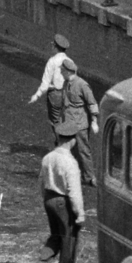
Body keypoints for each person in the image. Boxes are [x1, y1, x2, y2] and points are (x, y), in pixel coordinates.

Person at [36, 136, 84, 263]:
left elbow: (41, 181)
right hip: (63, 202)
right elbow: (74, 191)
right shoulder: (70, 162)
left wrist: (45, 198)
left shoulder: (48, 157)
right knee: (69, 238)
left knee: (55, 234)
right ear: (72, 140)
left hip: (49, 198)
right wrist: (80, 213)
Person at [45, 57, 99, 185]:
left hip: (80, 124)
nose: (61, 73)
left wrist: (94, 121)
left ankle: (90, 177)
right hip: (68, 123)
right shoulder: (66, 83)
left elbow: (92, 103)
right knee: (70, 150)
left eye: (62, 71)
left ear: (68, 72)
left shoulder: (82, 85)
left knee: (83, 150)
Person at [28, 33, 72, 105]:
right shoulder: (70, 62)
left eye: (52, 45)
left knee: (54, 116)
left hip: (54, 96)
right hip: (67, 98)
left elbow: (45, 84)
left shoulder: (52, 61)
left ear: (55, 47)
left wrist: (36, 95)